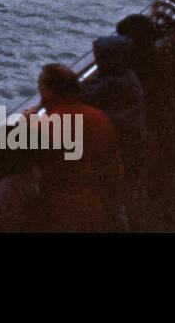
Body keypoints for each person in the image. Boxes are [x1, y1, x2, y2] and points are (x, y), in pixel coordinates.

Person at [32, 64, 124, 232]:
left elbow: (33, 167)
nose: (38, 89)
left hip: (60, 209)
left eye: (40, 86)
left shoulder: (46, 125)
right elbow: (114, 167)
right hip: (97, 204)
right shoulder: (99, 117)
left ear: (51, 91)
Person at [81, 35, 147, 187]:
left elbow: (85, 95)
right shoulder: (128, 76)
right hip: (132, 140)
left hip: (118, 144)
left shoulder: (113, 84)